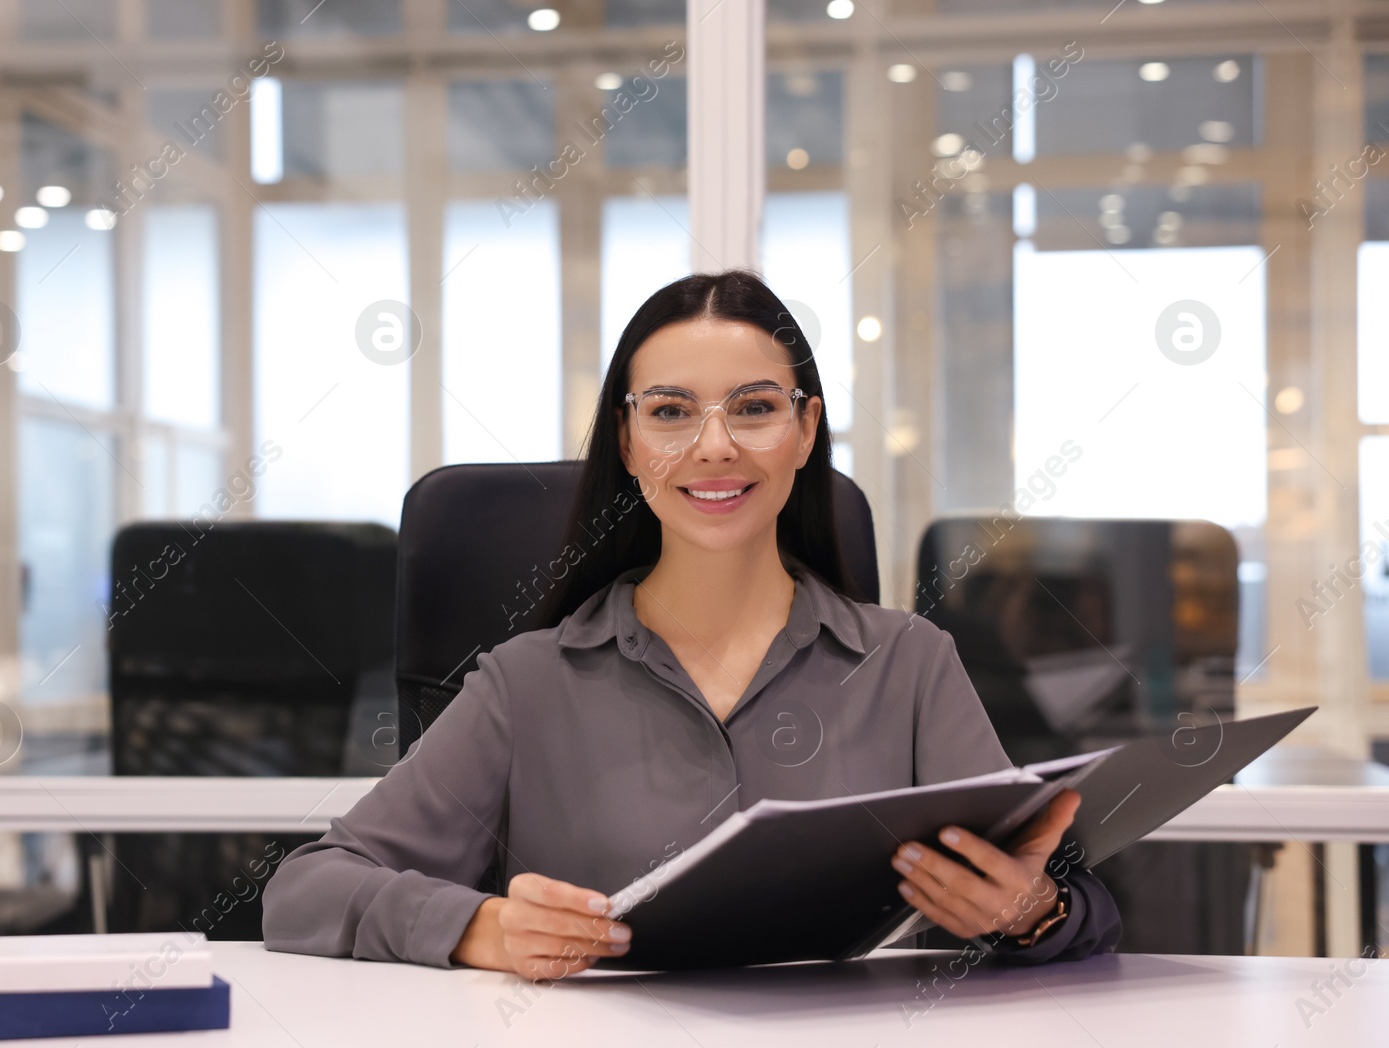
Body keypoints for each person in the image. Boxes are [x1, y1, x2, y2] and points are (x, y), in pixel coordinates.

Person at [262, 269, 1122, 977]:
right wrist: (476, 926)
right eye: (671, 411)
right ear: (630, 443)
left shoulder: (909, 663)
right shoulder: (527, 682)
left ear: (804, 430)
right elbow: (304, 890)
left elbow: (1070, 905)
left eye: (753, 407)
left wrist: (1027, 909)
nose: (714, 446)